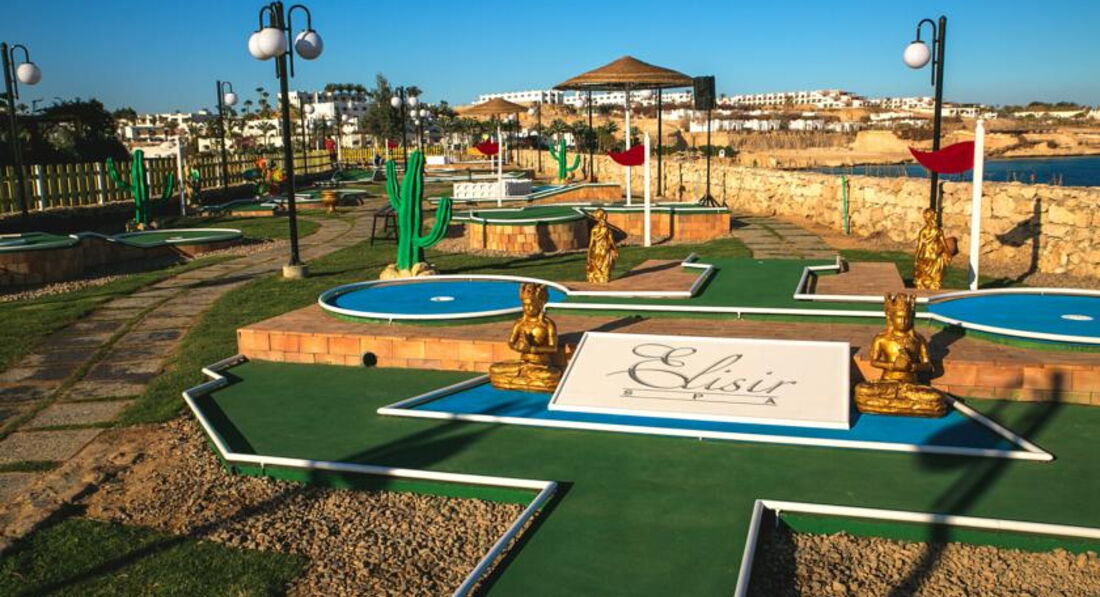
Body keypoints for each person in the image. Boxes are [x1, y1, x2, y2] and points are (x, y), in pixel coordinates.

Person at [489, 283, 564, 392]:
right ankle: (525, 379)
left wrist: (532, 349)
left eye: (531, 305)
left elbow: (553, 348)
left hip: (540, 364)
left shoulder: (547, 324)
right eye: (525, 305)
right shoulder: (520, 323)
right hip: (522, 363)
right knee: (495, 369)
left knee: (550, 375)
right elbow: (511, 342)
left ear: (540, 305)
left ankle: (520, 380)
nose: (528, 308)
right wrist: (518, 346)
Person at [913, 207, 952, 290]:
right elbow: (944, 244)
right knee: (935, 277)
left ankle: (924, 287)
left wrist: (916, 258)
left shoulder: (923, 231)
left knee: (923, 276)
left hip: (927, 255)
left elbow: (919, 246)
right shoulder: (938, 231)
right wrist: (948, 253)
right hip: (935, 255)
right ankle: (933, 287)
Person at [586, 208, 618, 284]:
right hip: (605, 250)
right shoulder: (607, 229)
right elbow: (611, 241)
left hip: (597, 251)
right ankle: (604, 279)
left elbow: (591, 243)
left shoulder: (594, 229)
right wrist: (615, 249)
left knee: (597, 267)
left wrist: (589, 254)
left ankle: (596, 279)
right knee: (605, 268)